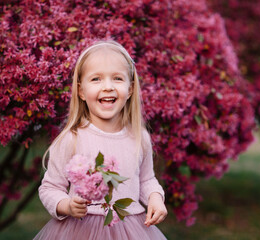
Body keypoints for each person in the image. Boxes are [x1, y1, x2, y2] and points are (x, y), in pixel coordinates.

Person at [34, 40, 167, 240]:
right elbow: (51, 187)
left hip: (131, 229)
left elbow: (146, 180)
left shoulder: (140, 139)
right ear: (81, 91)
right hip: (80, 230)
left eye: (117, 79)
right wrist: (67, 205)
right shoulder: (72, 139)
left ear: (130, 89)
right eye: (96, 79)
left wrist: (155, 198)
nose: (108, 87)